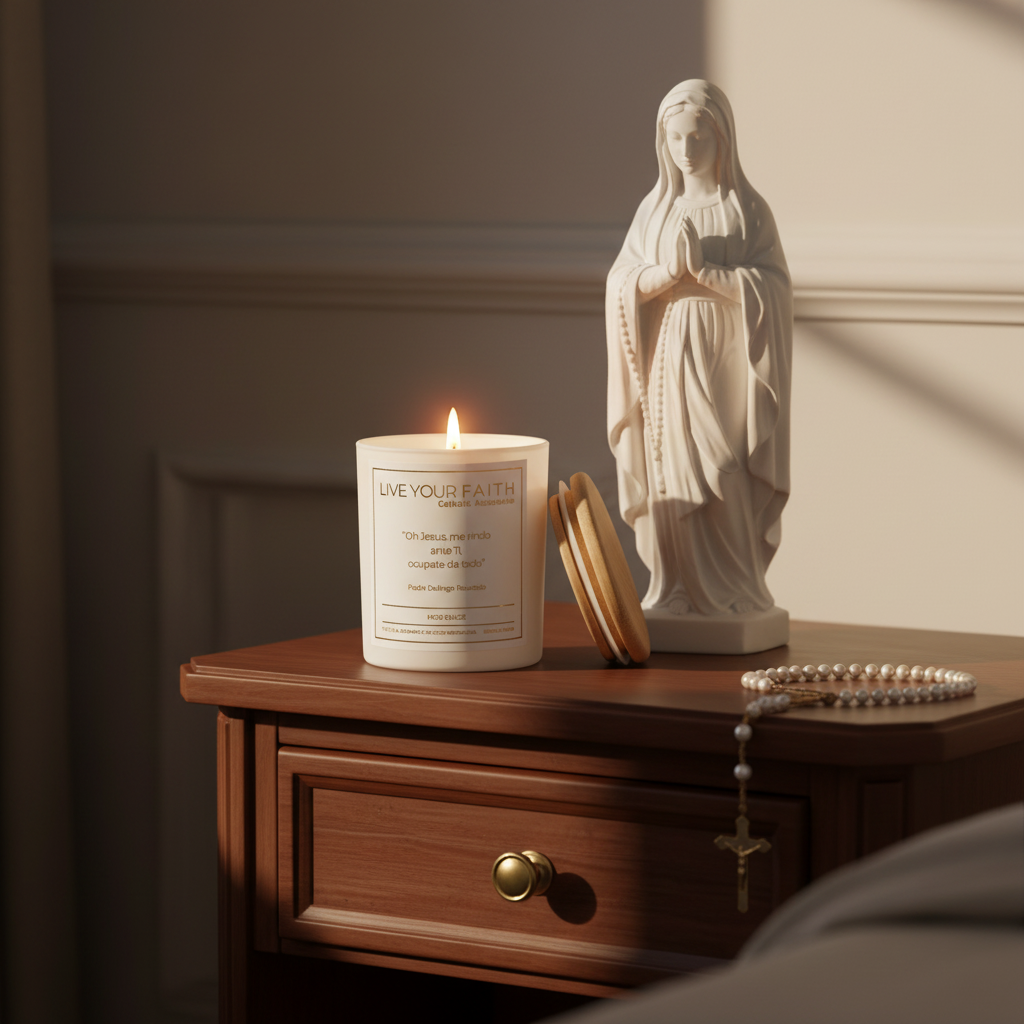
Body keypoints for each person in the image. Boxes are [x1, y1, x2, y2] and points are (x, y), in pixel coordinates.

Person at [606, 80, 792, 621]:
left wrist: (712, 276)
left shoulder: (746, 209)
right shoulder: (654, 210)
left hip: (726, 356)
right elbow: (621, 281)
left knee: (724, 465)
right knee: (671, 461)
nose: (686, 151)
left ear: (722, 138)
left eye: (698, 138)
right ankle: (675, 589)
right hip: (669, 352)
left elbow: (775, 286)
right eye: (675, 139)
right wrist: (665, 275)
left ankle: (739, 589)